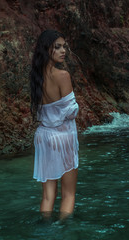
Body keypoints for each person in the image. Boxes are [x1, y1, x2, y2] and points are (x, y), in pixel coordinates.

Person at [30, 30, 79, 220]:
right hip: (63, 137)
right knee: (68, 194)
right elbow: (71, 111)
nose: (63, 50)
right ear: (46, 49)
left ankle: (45, 229)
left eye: (64, 46)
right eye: (57, 47)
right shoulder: (62, 75)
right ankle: (63, 231)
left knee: (48, 195)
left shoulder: (36, 76)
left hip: (43, 137)